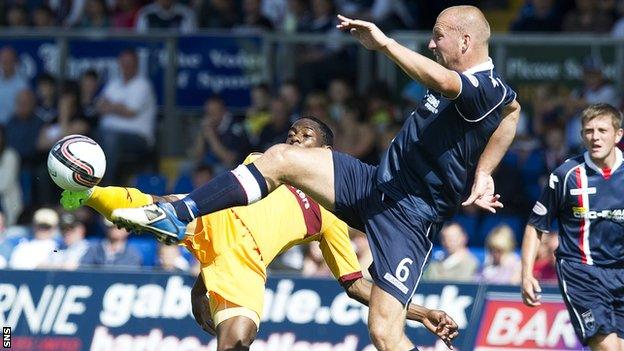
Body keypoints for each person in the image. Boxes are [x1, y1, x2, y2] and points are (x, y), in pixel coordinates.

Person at [113, 6, 520, 350]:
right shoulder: (491, 95)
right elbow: (512, 114)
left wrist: (386, 45)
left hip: (409, 216)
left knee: (383, 333)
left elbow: (474, 94)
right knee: (282, 158)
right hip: (374, 183)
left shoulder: (485, 87)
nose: (432, 44)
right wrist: (483, 172)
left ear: (465, 42)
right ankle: (181, 212)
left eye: (438, 37)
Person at [63, 117, 459, 350]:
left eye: (304, 136)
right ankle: (86, 190)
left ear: (326, 153)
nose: (292, 139)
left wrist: (421, 312)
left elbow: (355, 285)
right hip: (211, 216)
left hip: (244, 259)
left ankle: (161, 226)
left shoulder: (334, 212)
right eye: (290, 133)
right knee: (152, 202)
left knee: (237, 340)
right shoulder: (267, 162)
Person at [521, 103, 624, 350]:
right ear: (581, 135)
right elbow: (536, 226)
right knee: (608, 348)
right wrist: (526, 274)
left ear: (618, 134)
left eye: (602, 130)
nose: (595, 137)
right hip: (581, 272)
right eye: (589, 131)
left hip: (620, 272)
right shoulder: (566, 175)